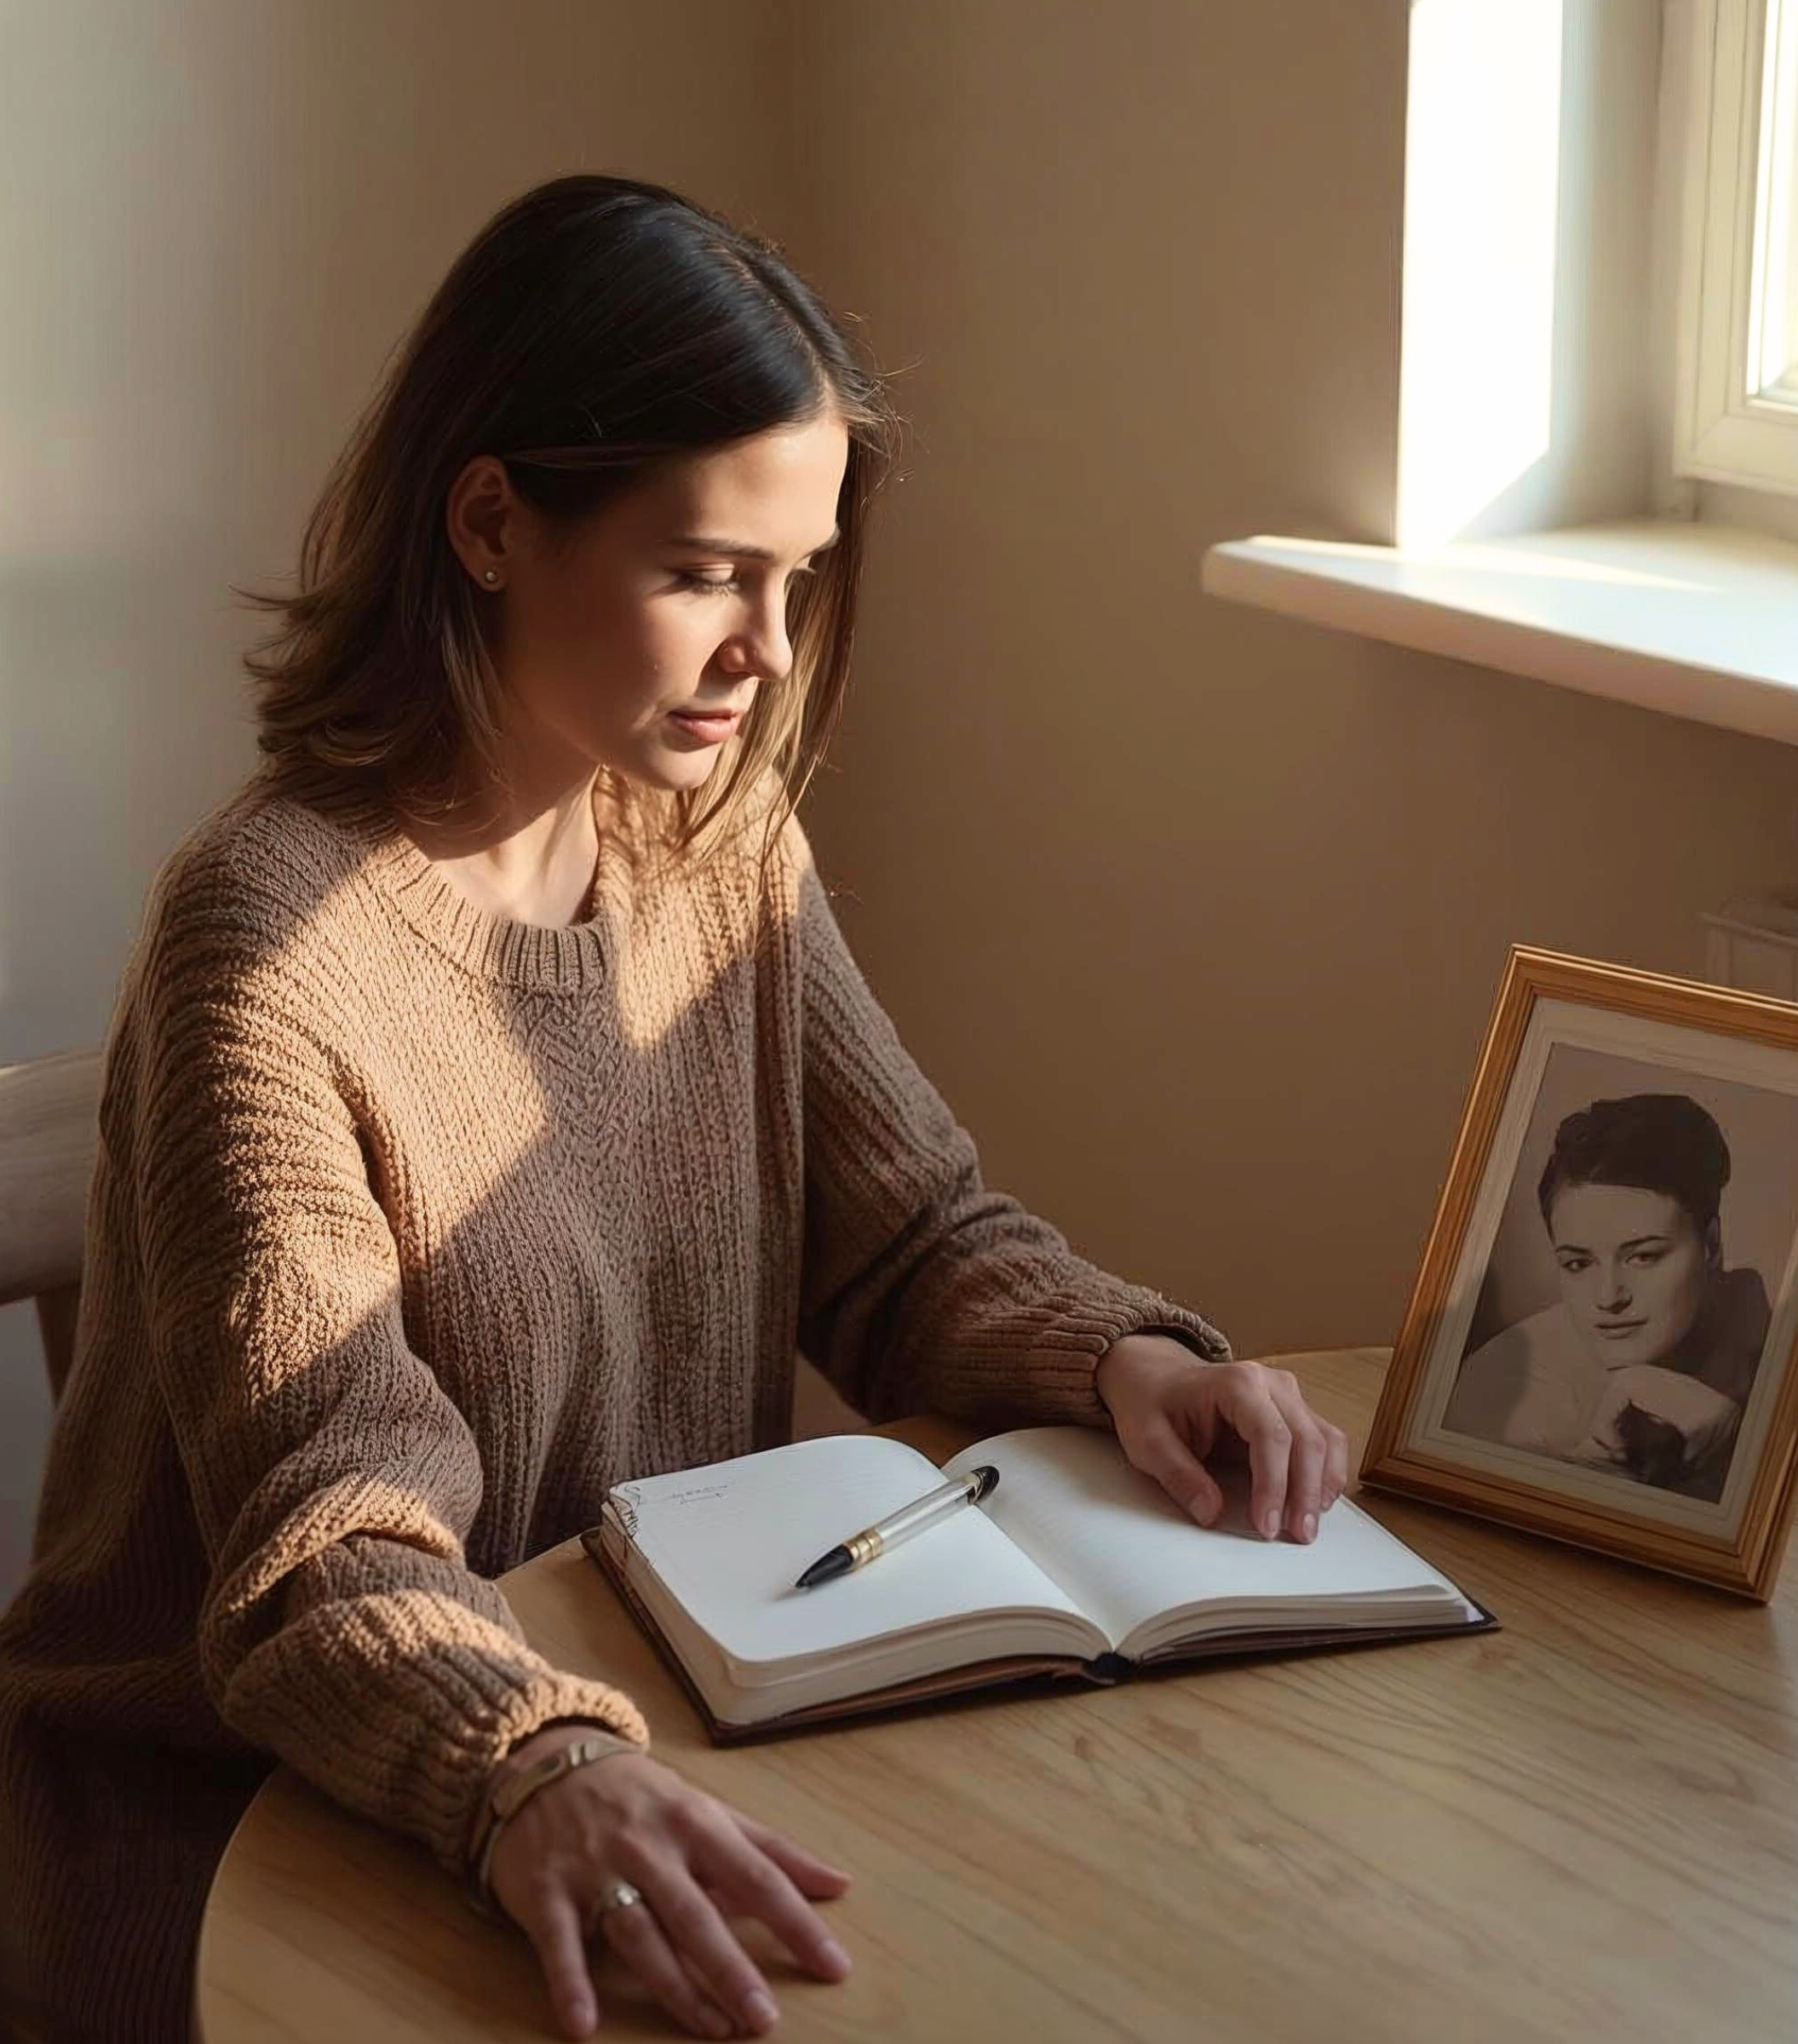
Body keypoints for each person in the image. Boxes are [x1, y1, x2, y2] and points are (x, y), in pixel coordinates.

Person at [0, 175, 1352, 2044]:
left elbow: (909, 1243)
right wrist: (532, 1767)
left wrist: (1121, 1357)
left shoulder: (717, 842)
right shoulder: (269, 950)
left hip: (658, 1726)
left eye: (797, 576)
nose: (769, 649)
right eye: (707, 572)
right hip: (250, 1835)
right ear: (490, 523)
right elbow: (330, 1548)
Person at [1442, 1093, 1772, 1500]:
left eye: (1643, 1257)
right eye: (1578, 1263)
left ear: (1712, 1246)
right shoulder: (1504, 1393)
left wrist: (1739, 1441)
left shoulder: (1758, 1329)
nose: (1608, 1297)